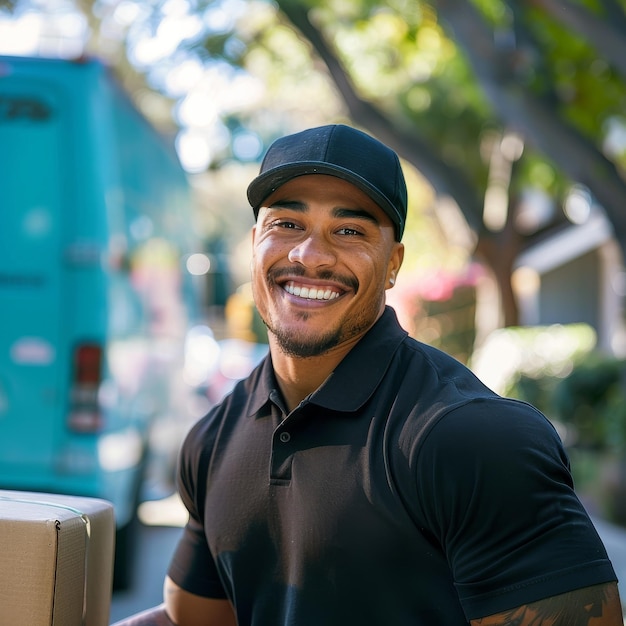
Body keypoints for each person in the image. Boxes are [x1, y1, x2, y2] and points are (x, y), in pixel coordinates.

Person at [114, 124, 623, 625]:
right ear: (254, 242)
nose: (309, 255)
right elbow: (191, 621)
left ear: (393, 263)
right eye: (287, 224)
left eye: (349, 231)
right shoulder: (212, 439)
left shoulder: (475, 441)